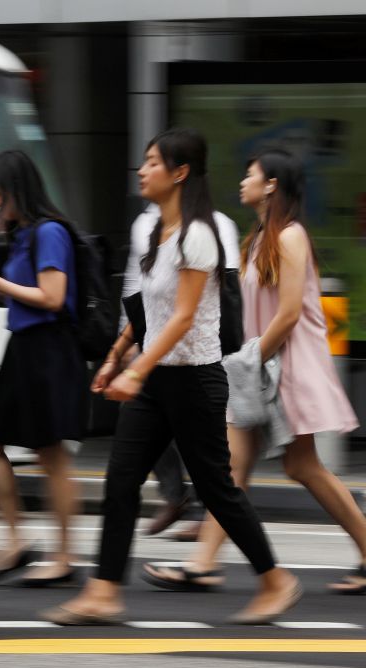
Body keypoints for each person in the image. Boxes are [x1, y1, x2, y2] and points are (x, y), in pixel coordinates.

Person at [42, 129, 302, 626]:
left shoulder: (198, 234)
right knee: (120, 481)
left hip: (195, 380)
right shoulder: (157, 233)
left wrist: (135, 369)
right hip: (157, 378)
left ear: (180, 173)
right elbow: (151, 313)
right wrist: (119, 355)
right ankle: (103, 591)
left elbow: (184, 318)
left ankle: (275, 580)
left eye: (153, 163)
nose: (142, 171)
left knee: (217, 488)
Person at [143, 148, 366, 594]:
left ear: (271, 186)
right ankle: (203, 562)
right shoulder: (261, 237)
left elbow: (287, 316)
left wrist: (247, 360)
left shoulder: (290, 237)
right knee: (242, 468)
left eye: (251, 175)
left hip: (286, 365)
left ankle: (204, 562)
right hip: (263, 365)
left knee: (301, 467)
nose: (242, 182)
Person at [0, 150, 84, 587]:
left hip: (47, 350)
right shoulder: (27, 233)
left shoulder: (49, 233)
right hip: (25, 347)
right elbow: (26, 295)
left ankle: (64, 555)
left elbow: (51, 296)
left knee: (51, 455)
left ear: (17, 190)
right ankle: (15, 540)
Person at [122, 204, 241, 538]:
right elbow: (137, 285)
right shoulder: (146, 222)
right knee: (126, 465)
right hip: (158, 353)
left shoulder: (214, 225)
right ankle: (177, 498)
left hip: (200, 355)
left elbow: (226, 292)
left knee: (213, 457)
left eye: (154, 163)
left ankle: (208, 515)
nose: (143, 172)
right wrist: (125, 343)